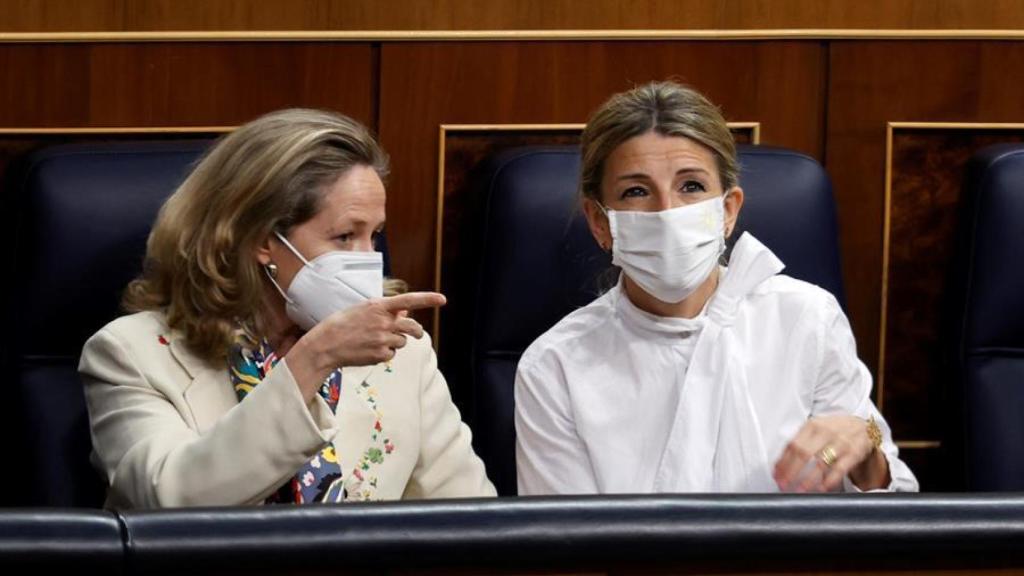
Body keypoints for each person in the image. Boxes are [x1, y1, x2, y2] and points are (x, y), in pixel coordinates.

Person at [514, 82, 918, 495]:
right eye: (636, 191)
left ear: (728, 209)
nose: (667, 213)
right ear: (600, 222)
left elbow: (896, 507)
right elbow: (569, 533)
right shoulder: (555, 367)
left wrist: (865, 454)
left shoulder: (806, 318)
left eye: (691, 186)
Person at [79, 108, 496, 508]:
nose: (369, 258)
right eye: (345, 236)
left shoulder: (402, 354)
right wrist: (315, 358)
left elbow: (470, 523)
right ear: (262, 240)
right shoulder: (131, 354)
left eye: (375, 235)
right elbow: (170, 501)